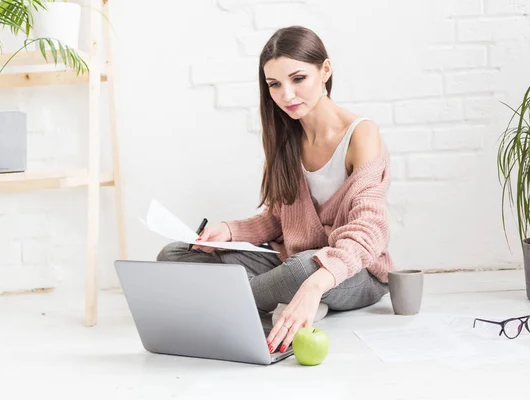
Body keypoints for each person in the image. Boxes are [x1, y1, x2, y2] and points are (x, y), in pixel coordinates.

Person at [157, 25, 393, 355]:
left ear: (324, 70)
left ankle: (208, 304)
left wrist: (313, 284)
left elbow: (369, 233)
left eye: (298, 79)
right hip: (290, 261)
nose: (287, 95)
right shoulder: (286, 139)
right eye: (275, 84)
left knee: (300, 268)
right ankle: (254, 300)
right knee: (176, 255)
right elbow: (280, 220)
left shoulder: (361, 134)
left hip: (351, 272)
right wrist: (228, 231)